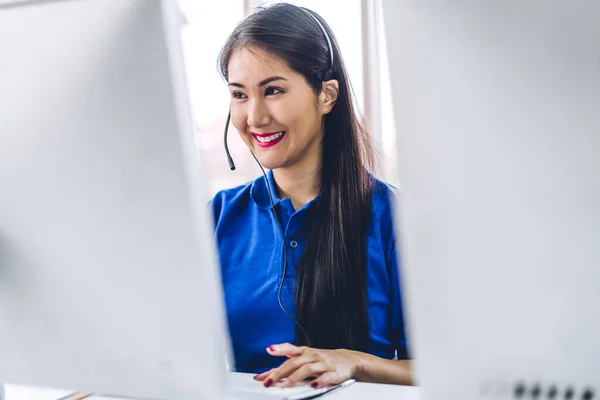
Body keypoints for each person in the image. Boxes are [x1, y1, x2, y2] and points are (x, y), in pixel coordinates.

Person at [209, 2, 413, 389]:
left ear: (327, 96)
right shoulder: (217, 217)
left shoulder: (393, 219)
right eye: (239, 95)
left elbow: (445, 370)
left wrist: (353, 362)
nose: (255, 117)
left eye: (273, 90)